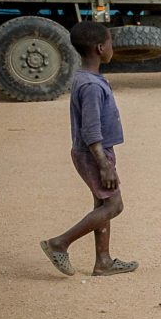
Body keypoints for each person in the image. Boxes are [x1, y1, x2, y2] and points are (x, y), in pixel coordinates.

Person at [41, 22, 138, 278]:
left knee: (102, 203)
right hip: (94, 154)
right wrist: (104, 165)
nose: (112, 48)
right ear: (100, 47)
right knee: (114, 206)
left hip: (96, 152)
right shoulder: (92, 86)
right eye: (111, 43)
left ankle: (103, 262)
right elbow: (91, 130)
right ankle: (59, 243)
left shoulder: (87, 79)